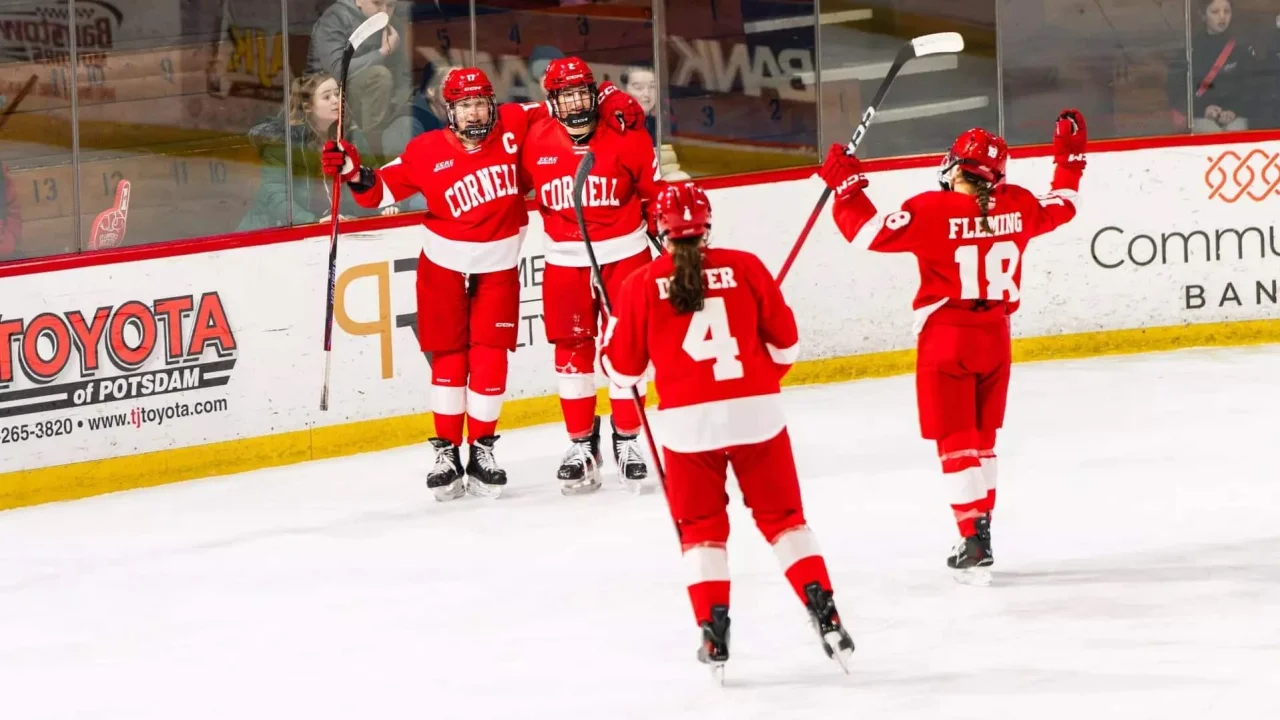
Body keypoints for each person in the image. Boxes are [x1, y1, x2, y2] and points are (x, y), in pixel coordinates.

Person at [321, 67, 646, 501]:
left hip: (500, 267)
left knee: (492, 358)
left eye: (480, 102)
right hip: (442, 266)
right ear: (447, 110)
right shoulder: (426, 149)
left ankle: (483, 451)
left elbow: (570, 98)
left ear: (492, 103)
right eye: (465, 105)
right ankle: (446, 453)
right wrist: (352, 169)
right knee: (451, 361)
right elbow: (378, 190)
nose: (475, 112)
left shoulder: (516, 125)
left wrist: (610, 95)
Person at [818, 110, 1087, 584]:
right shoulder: (1019, 205)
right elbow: (1063, 204)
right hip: (996, 339)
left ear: (957, 167)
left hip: (948, 337)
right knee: (983, 442)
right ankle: (981, 532)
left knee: (955, 441)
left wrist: (848, 187)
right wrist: (1069, 159)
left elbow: (865, 232)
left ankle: (972, 535)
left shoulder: (933, 209)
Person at [600, 182, 855, 675]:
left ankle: (713, 634)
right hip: (758, 414)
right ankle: (826, 614)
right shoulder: (747, 266)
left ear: (659, 230)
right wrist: (754, 385)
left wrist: (609, 342)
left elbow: (625, 374)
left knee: (702, 532)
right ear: (708, 225)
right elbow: (786, 349)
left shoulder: (638, 284)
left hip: (686, 426)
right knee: (784, 520)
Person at [519, 56, 658, 495]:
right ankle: (582, 445)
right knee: (572, 351)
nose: (576, 103)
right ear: (552, 101)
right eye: (566, 95)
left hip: (626, 256)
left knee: (629, 346)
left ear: (595, 94)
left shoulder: (627, 136)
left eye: (583, 92)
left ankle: (628, 439)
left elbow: (654, 196)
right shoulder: (534, 135)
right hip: (564, 260)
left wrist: (678, 247)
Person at [239, 72, 386, 231]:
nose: (336, 101)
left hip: (331, 227)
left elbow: (374, 175)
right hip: (273, 231)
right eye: (327, 97)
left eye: (337, 94)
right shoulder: (283, 142)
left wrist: (387, 204)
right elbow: (275, 196)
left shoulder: (351, 137)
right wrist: (313, 221)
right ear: (308, 107)